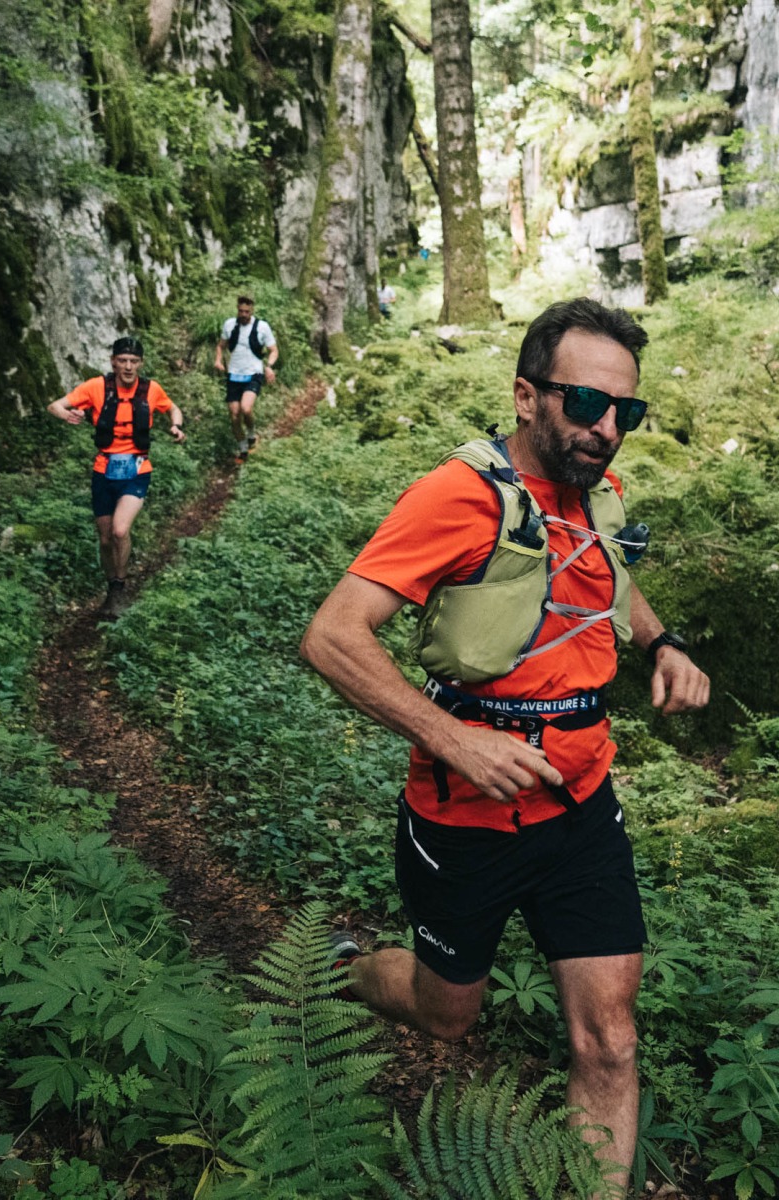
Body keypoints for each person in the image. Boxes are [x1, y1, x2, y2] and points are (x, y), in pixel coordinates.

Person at [299, 297, 710, 1197]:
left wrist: (663, 644)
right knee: (446, 1015)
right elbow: (332, 635)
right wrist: (455, 740)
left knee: (610, 1040)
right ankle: (347, 971)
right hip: (466, 816)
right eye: (586, 404)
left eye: (626, 411)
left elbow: (611, 577)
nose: (608, 429)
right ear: (527, 397)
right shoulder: (458, 497)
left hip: (582, 805)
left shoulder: (597, 490)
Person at [46, 335, 185, 617]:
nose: (128, 366)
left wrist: (176, 425)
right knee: (106, 539)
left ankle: (120, 588)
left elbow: (172, 407)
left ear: (140, 363)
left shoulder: (151, 389)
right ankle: (111, 586)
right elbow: (54, 405)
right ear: (113, 362)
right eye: (123, 360)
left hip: (137, 469)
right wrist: (67, 415)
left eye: (134, 361)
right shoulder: (96, 387)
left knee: (120, 530)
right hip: (104, 470)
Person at [213, 294, 277, 458]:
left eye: (247, 312)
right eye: (241, 311)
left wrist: (269, 367)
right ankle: (243, 450)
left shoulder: (262, 327)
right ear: (237, 309)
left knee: (246, 408)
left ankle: (251, 434)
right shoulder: (229, 325)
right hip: (234, 374)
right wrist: (218, 360)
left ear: (252, 310)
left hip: (254, 373)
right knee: (234, 415)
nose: (243, 314)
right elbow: (220, 346)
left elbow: (273, 350)